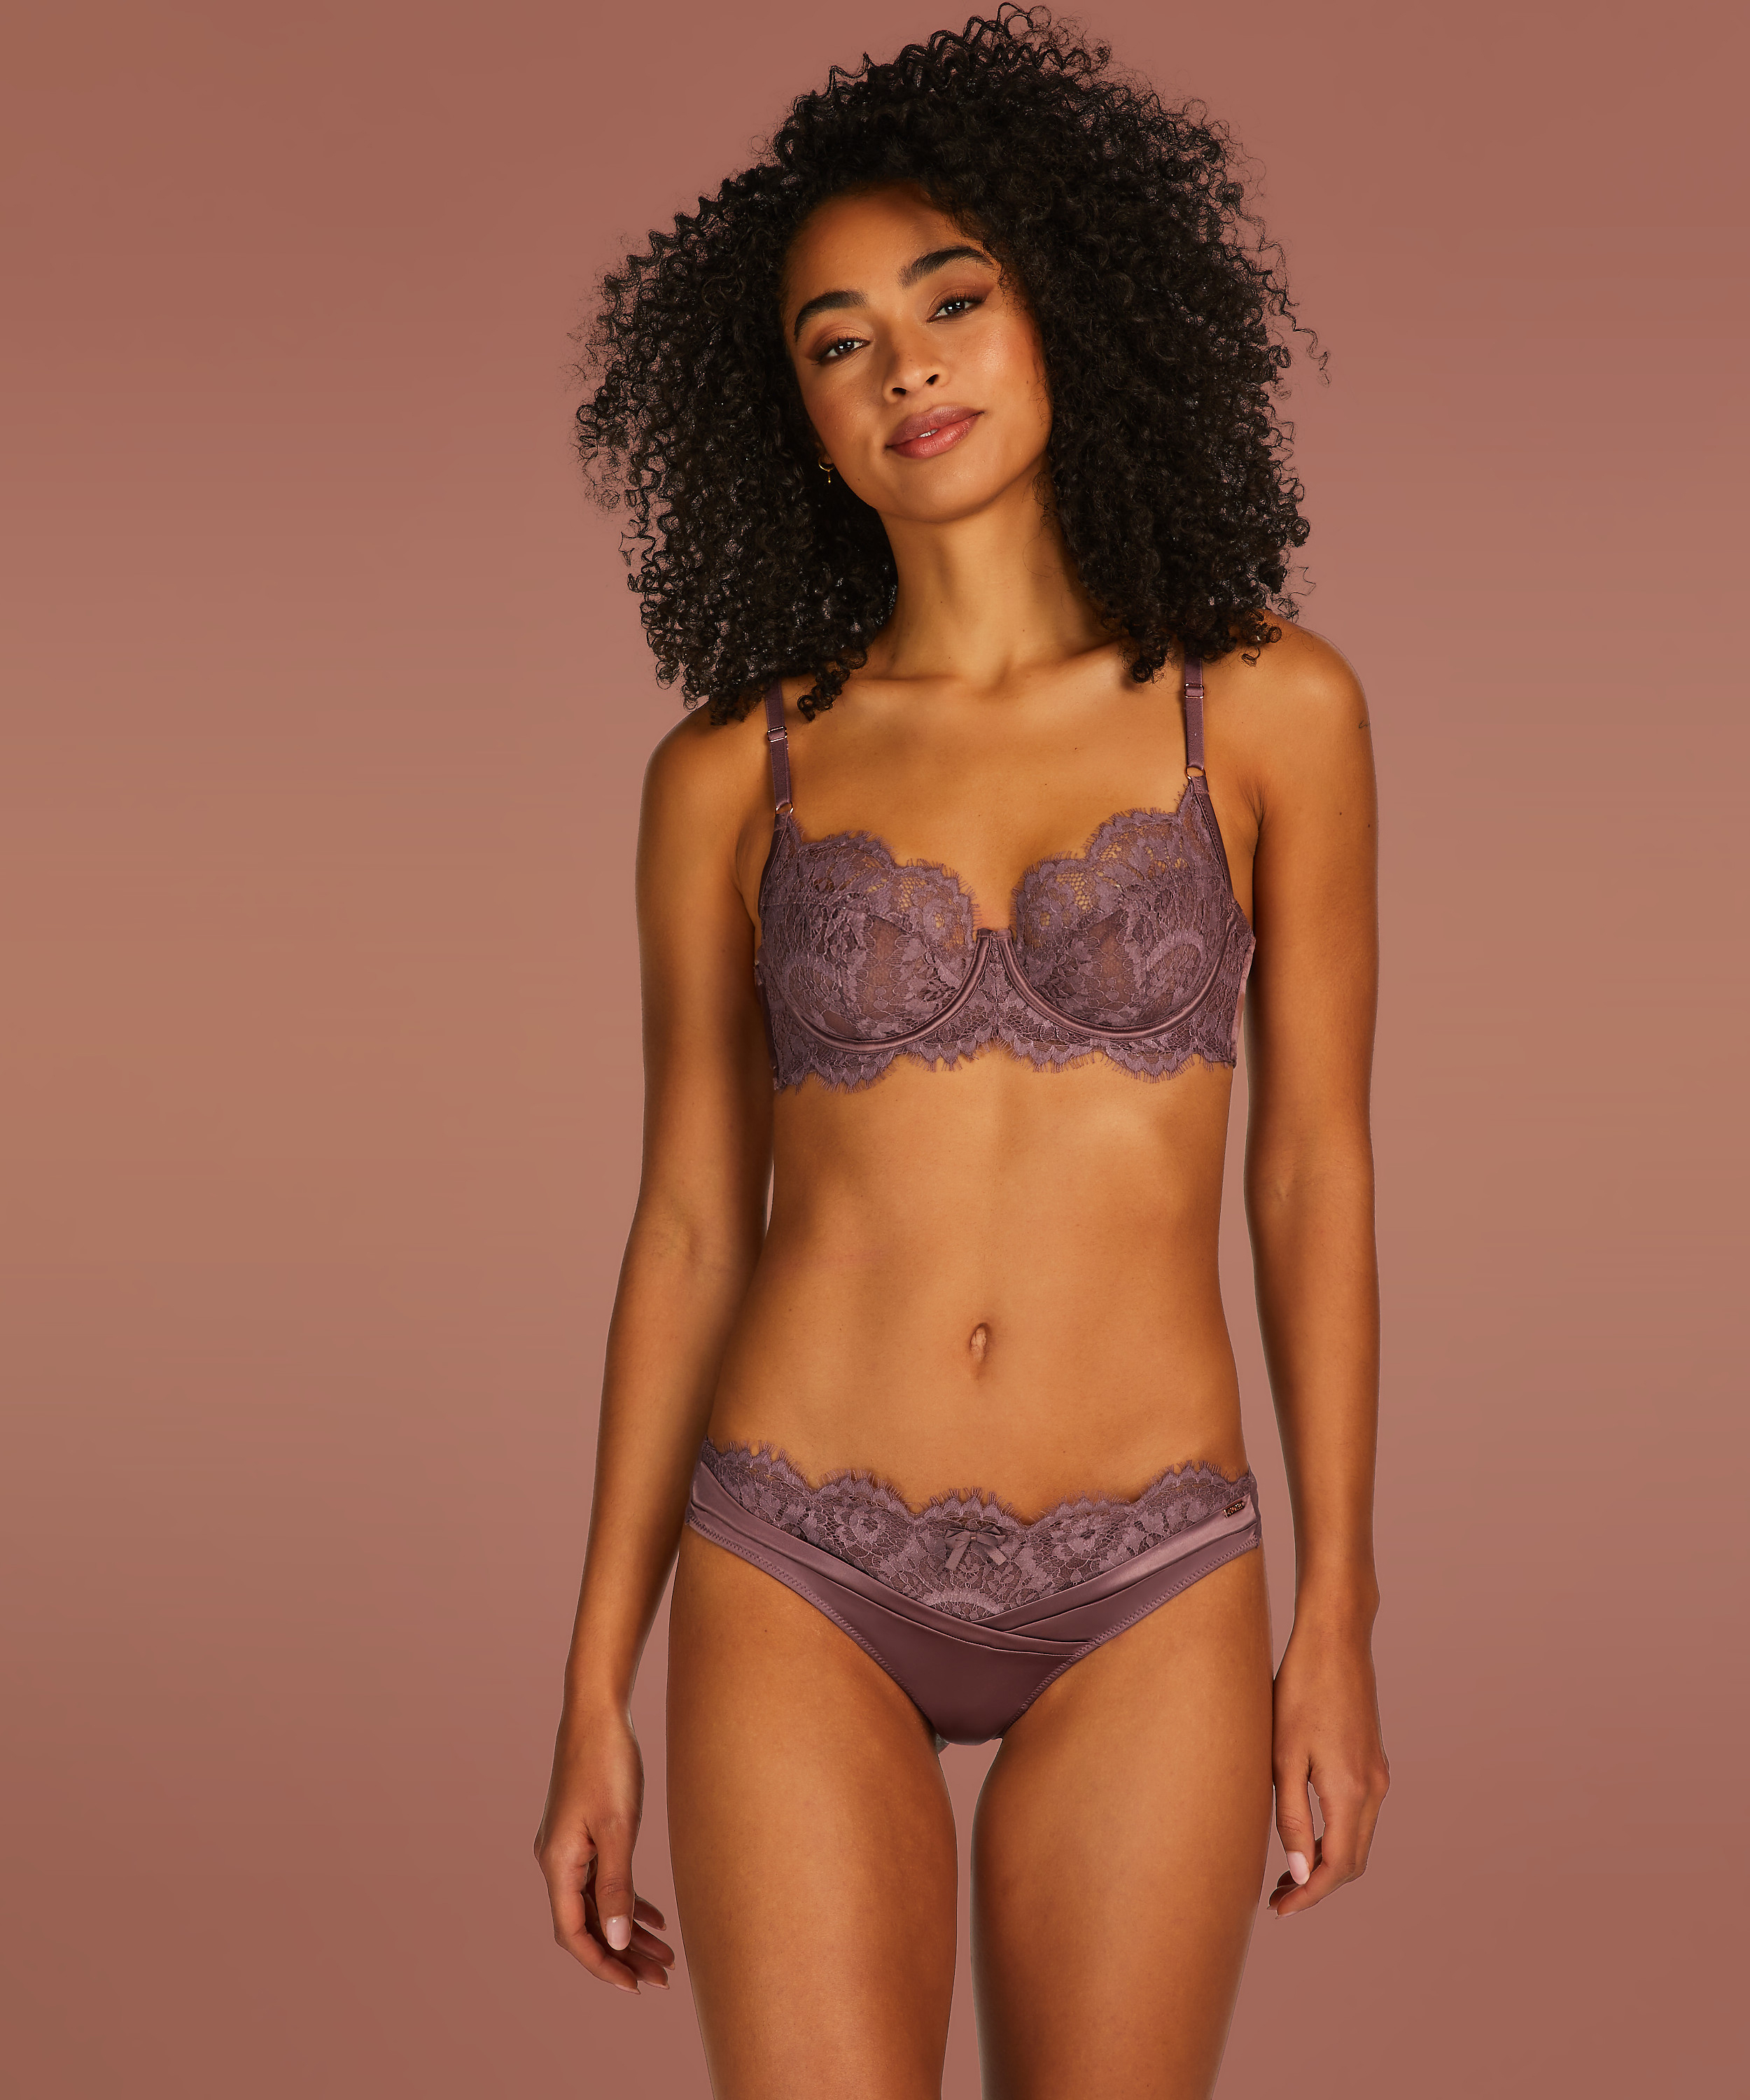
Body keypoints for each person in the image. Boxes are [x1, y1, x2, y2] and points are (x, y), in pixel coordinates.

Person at [536, 11, 1388, 2094]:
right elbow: (684, 1230)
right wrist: (590, 1688)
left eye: (948, 299)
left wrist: (1338, 1614)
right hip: (793, 1559)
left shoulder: (1270, 709)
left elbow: (1311, 1174)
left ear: (1066, 305)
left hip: (1154, 1570)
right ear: (795, 417)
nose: (903, 368)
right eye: (835, 343)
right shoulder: (730, 773)